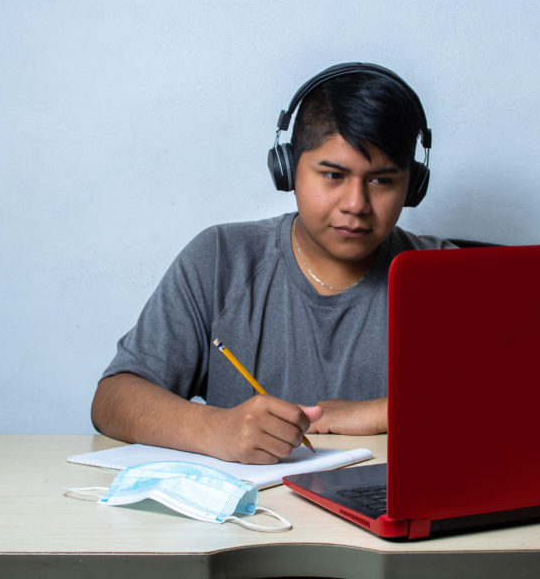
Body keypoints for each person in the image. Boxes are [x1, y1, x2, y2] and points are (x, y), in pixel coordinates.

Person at [91, 63, 454, 464]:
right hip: (252, 517)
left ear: (413, 186)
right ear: (287, 170)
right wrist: (215, 428)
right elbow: (112, 399)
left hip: (388, 507)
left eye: (382, 181)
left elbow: (518, 399)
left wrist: (385, 410)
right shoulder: (220, 259)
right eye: (333, 175)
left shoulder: (446, 275)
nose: (356, 205)